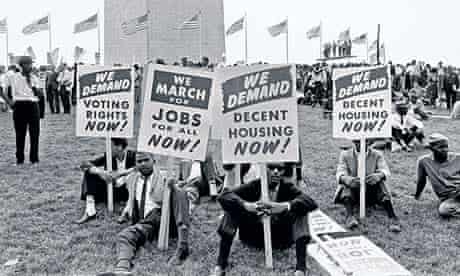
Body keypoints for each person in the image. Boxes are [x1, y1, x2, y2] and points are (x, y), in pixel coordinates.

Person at [210, 162, 318, 276]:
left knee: (301, 210)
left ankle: (301, 269)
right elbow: (224, 196)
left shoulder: (287, 187)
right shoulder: (254, 185)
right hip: (252, 237)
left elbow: (310, 202)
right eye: (271, 167)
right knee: (232, 208)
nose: (275, 171)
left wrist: (283, 206)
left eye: (280, 169)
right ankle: (220, 265)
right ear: (263, 169)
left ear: (284, 171)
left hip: (280, 239)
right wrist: (246, 205)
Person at [97, 151, 191, 276]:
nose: (143, 164)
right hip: (145, 221)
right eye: (139, 161)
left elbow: (177, 187)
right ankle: (122, 270)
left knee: (179, 192)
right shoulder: (133, 178)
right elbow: (116, 181)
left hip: (161, 217)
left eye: (146, 160)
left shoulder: (164, 177)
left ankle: (183, 246)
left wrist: (173, 186)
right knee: (125, 236)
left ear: (154, 161)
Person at [333, 139, 401, 232]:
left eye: (363, 141)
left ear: (369, 142)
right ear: (353, 142)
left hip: (371, 192)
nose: (360, 144)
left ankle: (392, 217)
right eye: (357, 141)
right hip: (354, 192)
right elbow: (340, 172)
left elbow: (385, 170)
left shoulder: (377, 154)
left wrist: (379, 175)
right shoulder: (345, 154)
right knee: (346, 186)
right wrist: (347, 179)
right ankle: (350, 216)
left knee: (381, 184)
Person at [76, 138, 137, 224]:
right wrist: (101, 172)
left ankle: (127, 210)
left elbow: (140, 167)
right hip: (110, 190)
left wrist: (120, 173)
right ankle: (90, 210)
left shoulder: (133, 155)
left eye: (110, 146)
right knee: (90, 172)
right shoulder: (108, 156)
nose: (107, 149)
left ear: (119, 147)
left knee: (134, 175)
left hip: (127, 193)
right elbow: (84, 164)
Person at [1, 56, 41, 165]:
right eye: (27, 64)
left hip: (33, 105)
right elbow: (1, 89)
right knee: (20, 134)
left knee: (35, 133)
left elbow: (38, 93)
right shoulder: (13, 77)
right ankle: (20, 159)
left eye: (31, 64)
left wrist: (35, 88)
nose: (30, 66)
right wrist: (9, 102)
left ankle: (34, 159)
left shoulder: (34, 77)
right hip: (19, 105)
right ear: (21, 65)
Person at [414, 133, 460, 217]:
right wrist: (417, 196)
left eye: (446, 146)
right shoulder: (424, 161)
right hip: (450, 198)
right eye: (441, 147)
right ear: (431, 148)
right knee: (444, 211)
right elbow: (421, 181)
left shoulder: (458, 158)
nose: (445, 150)